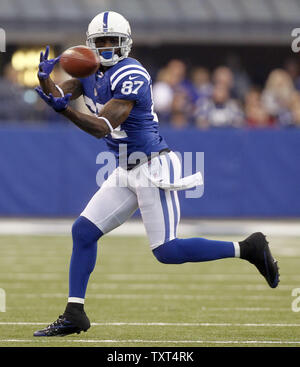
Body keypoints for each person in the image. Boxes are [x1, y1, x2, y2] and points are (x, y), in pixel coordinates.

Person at [33, 11, 279, 337]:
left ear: (126, 44)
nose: (106, 48)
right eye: (100, 42)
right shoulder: (90, 71)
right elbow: (60, 93)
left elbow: (103, 126)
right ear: (91, 45)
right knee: (83, 232)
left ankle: (248, 248)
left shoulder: (131, 73)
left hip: (152, 166)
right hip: (125, 168)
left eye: (112, 42)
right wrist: (43, 80)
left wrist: (63, 109)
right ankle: (74, 313)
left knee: (167, 251)